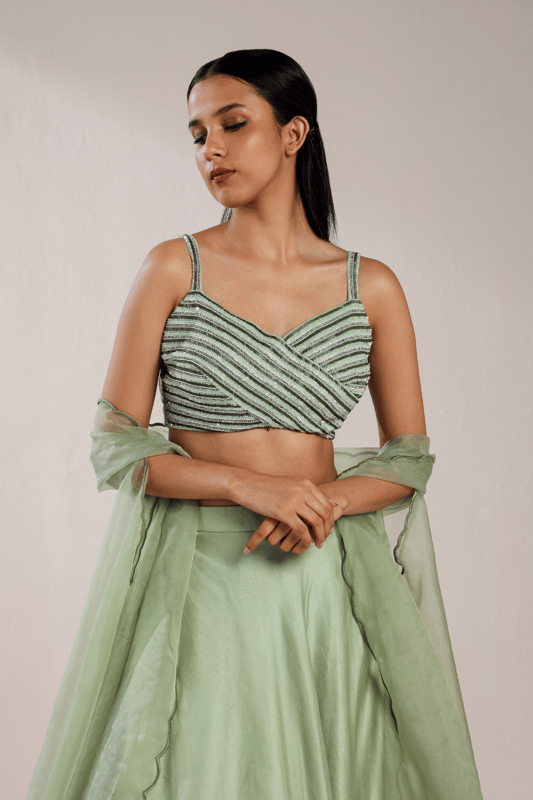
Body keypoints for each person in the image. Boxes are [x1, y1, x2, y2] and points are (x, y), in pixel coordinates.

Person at [26, 49, 484, 799]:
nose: (211, 148)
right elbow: (116, 447)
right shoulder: (173, 268)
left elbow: (407, 459)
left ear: (294, 133)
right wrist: (248, 486)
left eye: (232, 124)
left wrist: (322, 500)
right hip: (205, 575)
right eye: (197, 133)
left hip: (327, 579)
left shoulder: (370, 286)